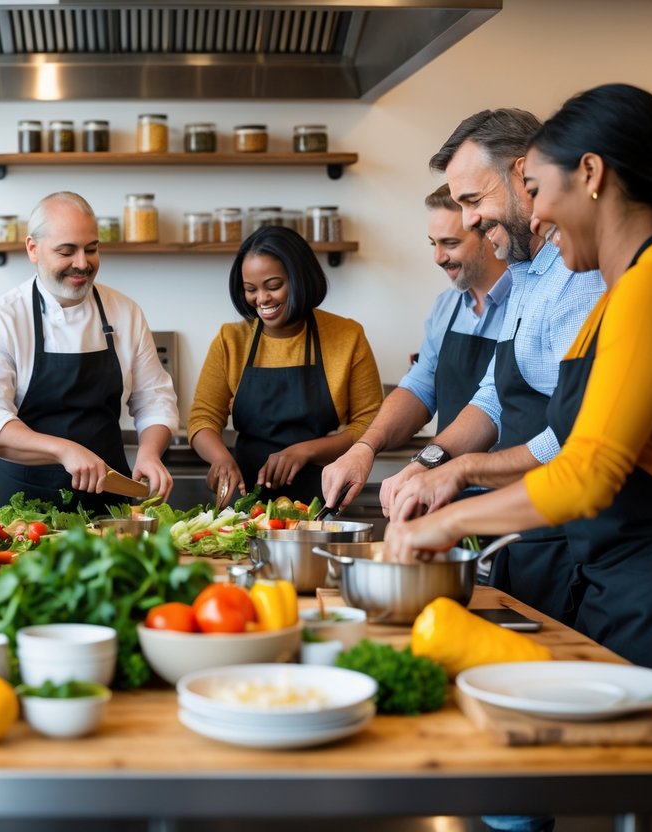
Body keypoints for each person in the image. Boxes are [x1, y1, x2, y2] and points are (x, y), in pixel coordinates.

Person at [384, 83, 652, 734]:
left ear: (590, 175)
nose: (537, 213)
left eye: (539, 189)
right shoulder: (620, 293)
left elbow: (585, 471)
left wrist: (444, 519)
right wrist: (453, 476)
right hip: (615, 577)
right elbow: (564, 439)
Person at [380, 108, 606, 621]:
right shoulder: (526, 276)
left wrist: (462, 474)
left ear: (524, 177)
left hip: (573, 543)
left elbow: (573, 438)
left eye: (472, 201)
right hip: (524, 538)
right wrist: (430, 462)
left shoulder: (582, 281)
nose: (469, 221)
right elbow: (493, 398)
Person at [0, 191, 178, 516]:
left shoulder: (125, 312)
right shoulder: (0, 319)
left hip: (110, 504)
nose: (82, 263)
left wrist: (149, 453)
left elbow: (154, 400)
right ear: (33, 249)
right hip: (23, 510)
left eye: (91, 249)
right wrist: (64, 450)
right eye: (67, 251)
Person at [321, 185, 511, 509]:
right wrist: (364, 447)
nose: (438, 258)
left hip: (510, 502)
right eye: (433, 244)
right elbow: (420, 386)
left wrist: (423, 463)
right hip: (442, 497)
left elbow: (494, 403)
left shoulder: (528, 302)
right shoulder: (447, 306)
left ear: (490, 236)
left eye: (450, 243)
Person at [188, 225, 382, 505]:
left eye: (274, 286)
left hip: (320, 499)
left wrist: (305, 451)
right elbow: (202, 418)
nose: (262, 299)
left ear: (300, 278)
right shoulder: (231, 340)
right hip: (245, 500)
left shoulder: (347, 336)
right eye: (250, 289)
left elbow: (370, 424)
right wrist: (220, 459)